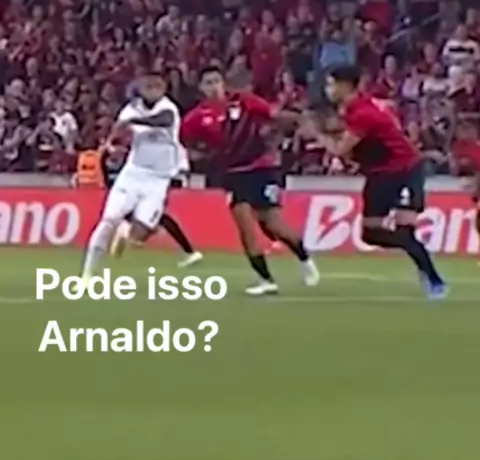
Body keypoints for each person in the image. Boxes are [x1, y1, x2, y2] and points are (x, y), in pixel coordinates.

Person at [180, 65, 319, 296]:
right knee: (245, 227)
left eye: (216, 81)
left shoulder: (244, 101)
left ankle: (304, 258)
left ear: (224, 83)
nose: (214, 87)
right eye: (208, 83)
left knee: (274, 225)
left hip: (262, 168)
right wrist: (201, 156)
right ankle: (265, 280)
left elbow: (271, 115)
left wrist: (296, 120)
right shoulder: (196, 117)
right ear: (201, 88)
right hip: (233, 174)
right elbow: (186, 141)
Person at [318, 64, 448, 299]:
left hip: (405, 169)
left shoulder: (363, 113)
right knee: (370, 234)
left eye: (330, 84)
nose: (328, 89)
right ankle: (419, 253)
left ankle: (434, 279)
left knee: (405, 227)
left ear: (344, 86)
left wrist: (316, 134)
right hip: (379, 174)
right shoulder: (355, 108)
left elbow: (339, 148)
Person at [79, 71, 196, 285]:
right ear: (140, 88)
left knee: (140, 234)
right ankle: (87, 275)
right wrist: (112, 143)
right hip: (133, 174)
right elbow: (119, 130)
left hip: (158, 179)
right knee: (108, 221)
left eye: (158, 86)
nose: (154, 90)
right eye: (149, 86)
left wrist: (133, 121)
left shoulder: (168, 109)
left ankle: (126, 231)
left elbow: (162, 121)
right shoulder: (130, 108)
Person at [102, 141, 203, 268]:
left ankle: (127, 231)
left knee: (157, 219)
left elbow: (181, 169)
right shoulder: (162, 145)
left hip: (157, 184)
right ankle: (128, 231)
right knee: (157, 219)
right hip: (149, 183)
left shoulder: (173, 147)